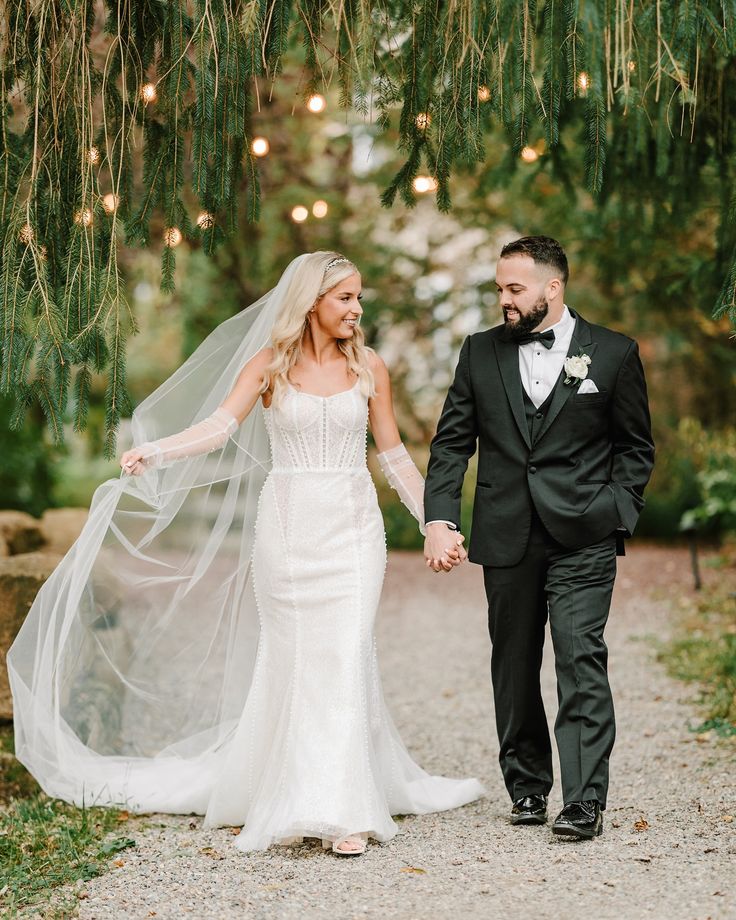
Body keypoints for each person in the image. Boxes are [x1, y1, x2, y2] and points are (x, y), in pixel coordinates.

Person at [8, 251, 484, 857]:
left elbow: (391, 456)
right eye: (346, 298)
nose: (357, 309)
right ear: (312, 301)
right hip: (286, 530)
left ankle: (343, 807)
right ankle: (288, 786)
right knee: (292, 660)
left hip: (353, 530)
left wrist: (434, 523)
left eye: (359, 298)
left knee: (344, 653)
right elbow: (218, 427)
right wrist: (157, 453)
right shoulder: (269, 366)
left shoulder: (370, 367)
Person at [423, 236, 655, 840]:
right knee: (515, 665)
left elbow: (635, 447)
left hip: (584, 534)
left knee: (581, 660)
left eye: (514, 288)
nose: (503, 299)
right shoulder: (479, 354)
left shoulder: (612, 353)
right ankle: (527, 788)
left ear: (552, 288)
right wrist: (440, 518)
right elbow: (452, 444)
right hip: (506, 534)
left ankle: (583, 801)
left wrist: (615, 512)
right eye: (499, 288)